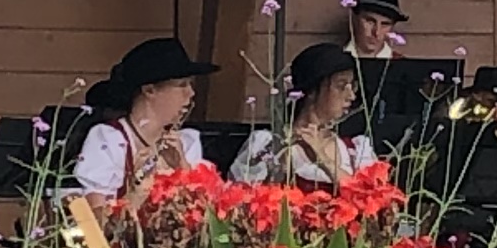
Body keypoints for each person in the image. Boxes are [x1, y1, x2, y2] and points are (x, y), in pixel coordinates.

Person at [73, 39, 210, 206]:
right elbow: (95, 222)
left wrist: (183, 169)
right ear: (149, 90)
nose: (191, 93)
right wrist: (134, 195)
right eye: (182, 85)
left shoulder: (187, 143)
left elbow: (203, 217)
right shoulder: (109, 140)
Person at [236, 41, 377, 185]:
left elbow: (366, 198)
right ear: (312, 91)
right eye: (341, 86)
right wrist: (281, 163)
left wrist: (322, 158)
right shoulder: (269, 143)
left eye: (352, 86)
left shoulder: (355, 150)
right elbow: (246, 199)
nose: (351, 96)